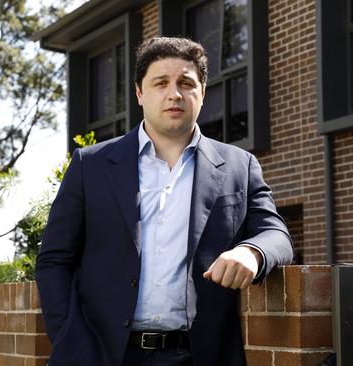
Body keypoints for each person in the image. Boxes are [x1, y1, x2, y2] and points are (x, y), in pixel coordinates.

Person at [35, 36, 293, 366]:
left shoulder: (239, 166)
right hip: (105, 356)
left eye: (186, 83)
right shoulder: (91, 165)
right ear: (140, 93)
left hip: (201, 356)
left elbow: (277, 235)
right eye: (161, 83)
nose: (174, 93)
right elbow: (54, 260)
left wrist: (251, 251)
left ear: (202, 93)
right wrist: (72, 344)